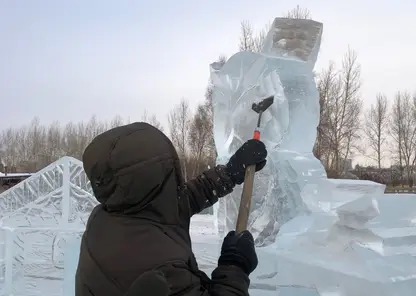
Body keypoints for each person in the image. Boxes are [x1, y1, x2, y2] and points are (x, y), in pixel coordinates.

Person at [75, 122, 268, 296]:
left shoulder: (110, 215)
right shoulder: (158, 267)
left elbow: (180, 201)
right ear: (155, 182)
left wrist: (230, 172)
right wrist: (234, 267)